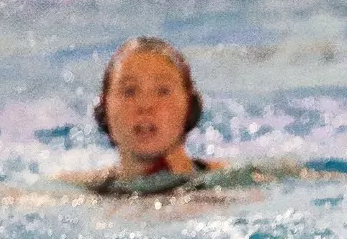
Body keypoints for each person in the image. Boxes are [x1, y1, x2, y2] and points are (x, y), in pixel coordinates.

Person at [61, 37, 226, 197]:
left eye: (163, 91)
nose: (145, 105)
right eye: (129, 91)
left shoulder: (229, 184)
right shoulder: (70, 192)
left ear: (189, 105)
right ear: (105, 108)